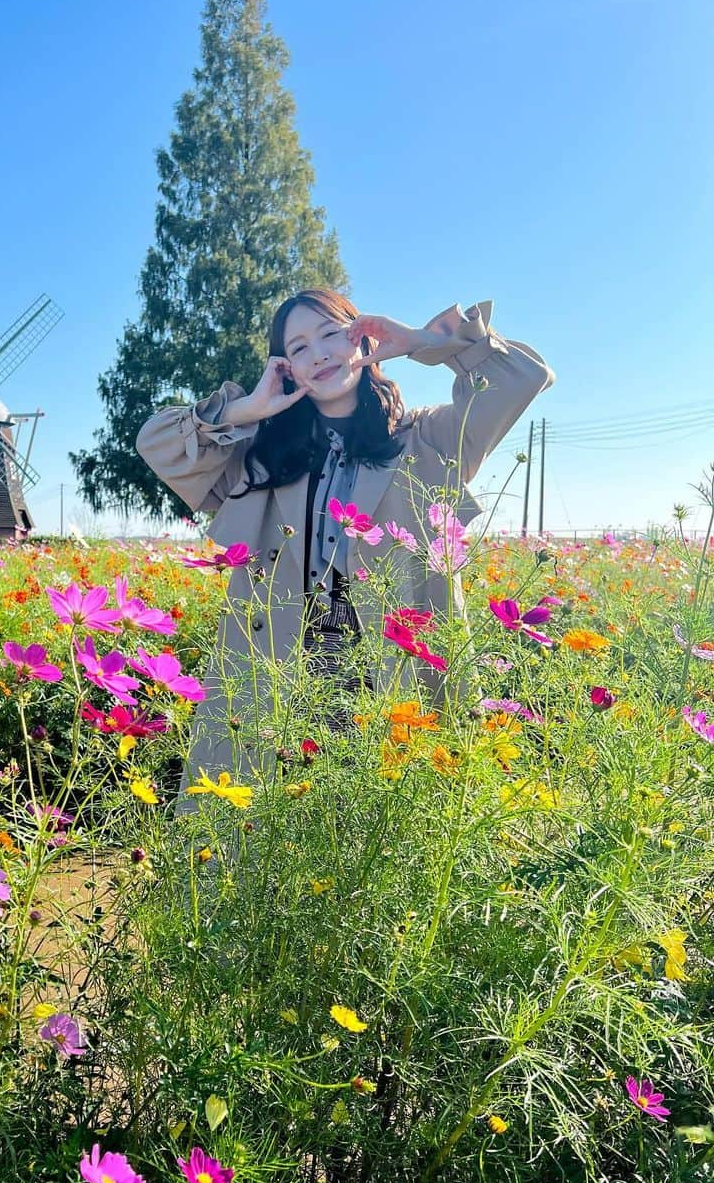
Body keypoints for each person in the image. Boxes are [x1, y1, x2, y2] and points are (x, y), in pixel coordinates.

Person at [136, 289, 555, 811]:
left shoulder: (426, 440)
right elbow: (157, 445)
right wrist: (249, 408)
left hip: (393, 674)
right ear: (286, 366)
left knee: (389, 841)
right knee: (264, 841)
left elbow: (523, 377)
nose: (320, 354)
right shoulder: (261, 457)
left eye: (331, 333)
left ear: (362, 336)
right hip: (279, 676)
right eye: (300, 346)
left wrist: (423, 342)